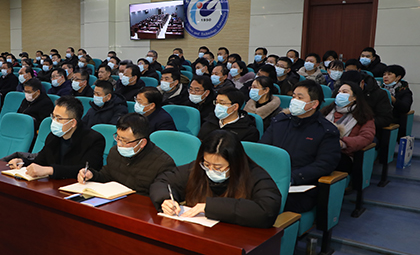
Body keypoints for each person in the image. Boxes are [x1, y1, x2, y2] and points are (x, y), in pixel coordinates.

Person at [150, 130, 280, 228]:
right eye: (207, 164)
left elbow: (267, 211)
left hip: (237, 238)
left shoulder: (255, 176)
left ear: (235, 163)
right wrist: (166, 199)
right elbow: (162, 181)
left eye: (218, 167)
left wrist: (210, 207)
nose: (211, 170)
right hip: (198, 233)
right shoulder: (198, 168)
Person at [260, 80, 341, 213]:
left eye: (300, 97)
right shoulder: (280, 122)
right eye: (293, 96)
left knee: (266, 203)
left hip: (300, 186)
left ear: (314, 104)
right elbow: (264, 150)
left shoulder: (326, 131)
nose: (294, 101)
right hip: (269, 179)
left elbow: (324, 164)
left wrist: (292, 178)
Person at [77, 113, 175, 195]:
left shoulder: (162, 164)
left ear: (142, 143)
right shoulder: (115, 152)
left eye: (125, 141)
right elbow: (107, 175)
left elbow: (163, 195)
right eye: (118, 138)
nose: (119, 144)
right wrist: (92, 175)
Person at [8, 96, 105, 179]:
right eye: (53, 117)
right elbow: (40, 161)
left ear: (73, 123)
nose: (54, 121)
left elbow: (86, 170)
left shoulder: (94, 139)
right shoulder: (53, 136)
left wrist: (50, 170)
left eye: (59, 118)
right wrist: (22, 162)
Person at [320, 82, 376, 173]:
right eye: (339, 92)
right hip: (320, 149)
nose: (340, 94)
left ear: (354, 97)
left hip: (343, 154)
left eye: (344, 92)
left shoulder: (364, 116)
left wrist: (343, 143)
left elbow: (366, 137)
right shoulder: (327, 111)